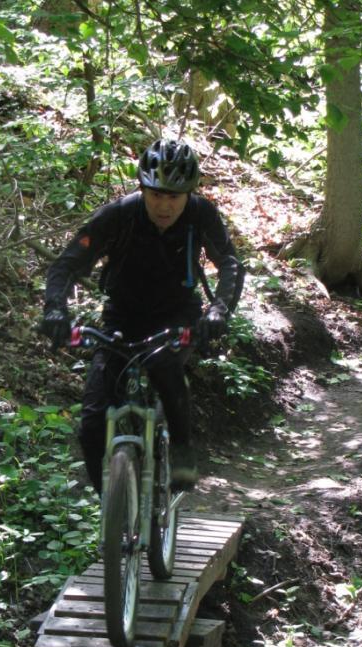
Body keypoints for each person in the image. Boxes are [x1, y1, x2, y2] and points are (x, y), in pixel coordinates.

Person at [41, 138, 244, 493]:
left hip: (176, 316)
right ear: (142, 189)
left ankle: (181, 448)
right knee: (92, 422)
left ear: (189, 194)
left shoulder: (201, 215)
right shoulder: (119, 215)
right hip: (122, 316)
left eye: (174, 197)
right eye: (156, 195)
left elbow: (229, 262)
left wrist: (218, 311)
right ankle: (114, 512)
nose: (164, 206)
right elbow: (67, 263)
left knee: (166, 368)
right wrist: (56, 310)